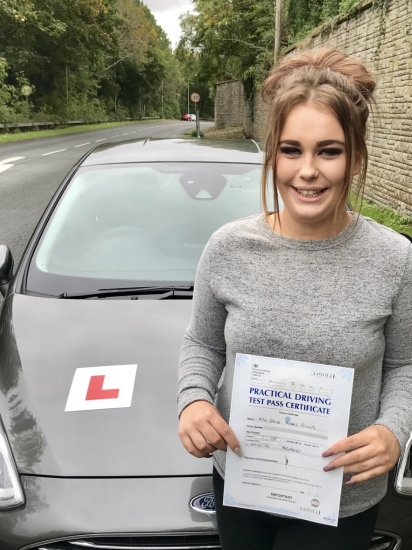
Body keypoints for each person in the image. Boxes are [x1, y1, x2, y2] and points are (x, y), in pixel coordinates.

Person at [177, 48, 412, 550]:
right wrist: (193, 401)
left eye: (329, 151)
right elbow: (202, 343)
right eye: (291, 150)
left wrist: (394, 430)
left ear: (356, 157)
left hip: (344, 497)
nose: (307, 170)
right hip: (243, 483)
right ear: (272, 154)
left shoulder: (394, 258)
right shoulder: (227, 248)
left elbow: (405, 364)